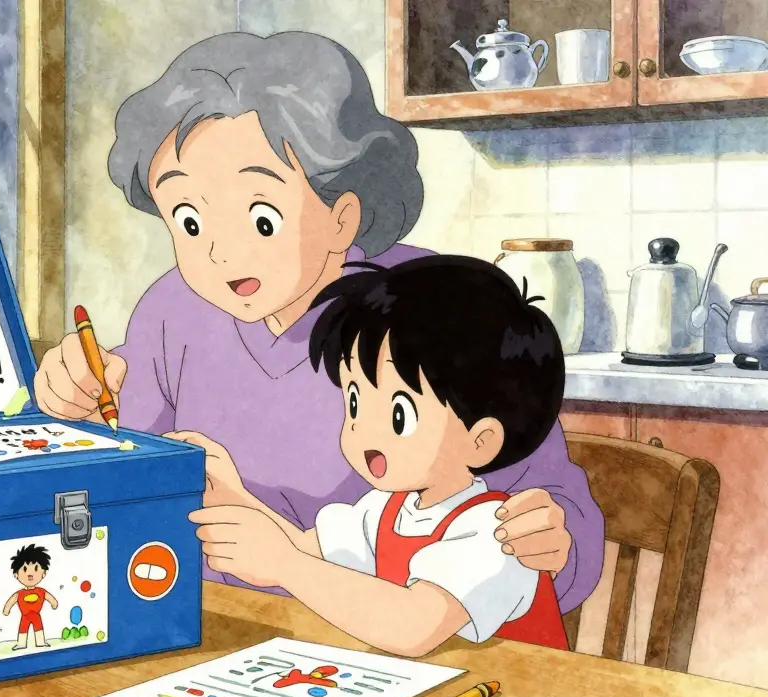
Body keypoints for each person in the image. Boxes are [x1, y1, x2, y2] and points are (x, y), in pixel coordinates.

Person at [33, 31, 604, 613]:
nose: (221, 255)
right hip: (213, 627)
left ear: (342, 214)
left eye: (260, 218)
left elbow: (555, 512)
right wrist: (70, 409)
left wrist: (550, 539)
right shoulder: (170, 312)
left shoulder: (430, 306)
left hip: (396, 643)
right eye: (189, 221)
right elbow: (115, 488)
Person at [188, 256, 573, 656]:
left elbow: (413, 627)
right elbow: (304, 549)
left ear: (480, 441)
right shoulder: (386, 509)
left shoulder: (496, 532)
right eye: (355, 401)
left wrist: (283, 565)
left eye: (398, 414)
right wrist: (234, 494)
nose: (364, 431)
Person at [2, 544, 58, 650]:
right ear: (16, 575)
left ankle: (40, 642)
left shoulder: (41, 591)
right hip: (25, 615)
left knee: (38, 627)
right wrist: (7, 609)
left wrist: (53, 603)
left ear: (44, 573)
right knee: (23, 628)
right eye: (24, 569)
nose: (30, 574)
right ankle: (21, 644)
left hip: (36, 615)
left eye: (36, 568)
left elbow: (49, 598)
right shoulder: (20, 594)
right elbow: (12, 600)